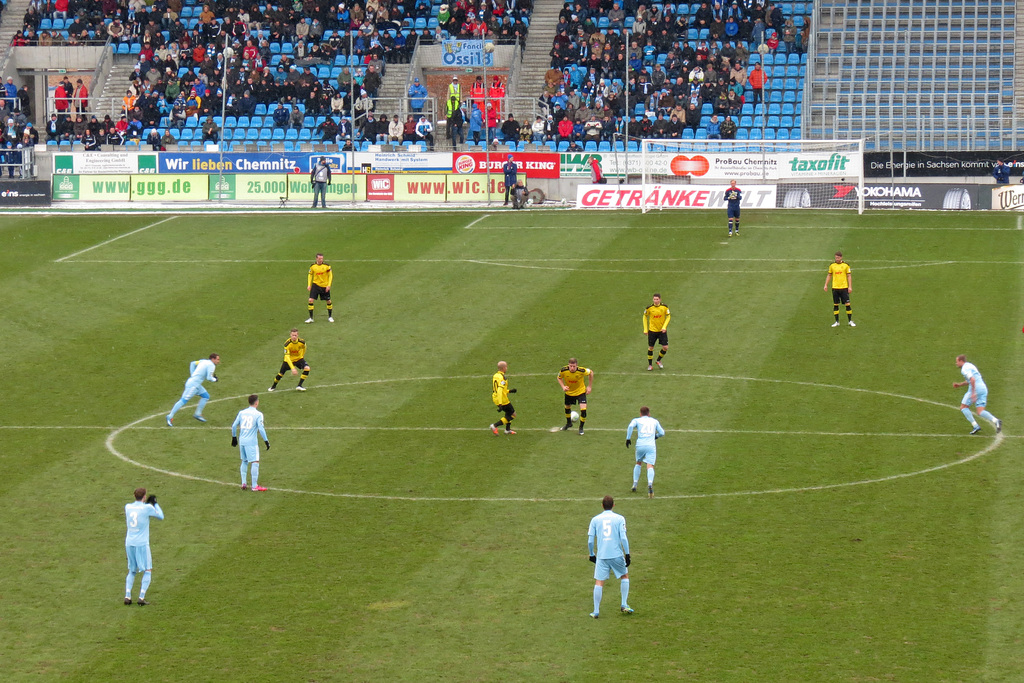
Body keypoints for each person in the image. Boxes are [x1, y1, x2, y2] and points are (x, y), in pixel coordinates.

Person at [587, 495, 633, 618]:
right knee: (624, 575)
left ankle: (596, 611)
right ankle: (624, 604)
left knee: (599, 581)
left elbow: (590, 540)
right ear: (613, 505)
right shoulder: (619, 518)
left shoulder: (595, 520)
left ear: (602, 505)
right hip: (616, 554)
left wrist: (592, 554)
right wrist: (627, 554)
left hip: (602, 555)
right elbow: (623, 537)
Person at [124, 487, 164, 605]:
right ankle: (141, 598)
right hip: (141, 543)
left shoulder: (128, 507)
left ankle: (127, 596)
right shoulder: (148, 508)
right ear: (144, 496)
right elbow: (161, 516)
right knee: (148, 570)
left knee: (132, 570)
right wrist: (155, 504)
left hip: (129, 542)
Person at [166, 353, 220, 425]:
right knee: (183, 400)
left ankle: (198, 414)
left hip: (195, 383)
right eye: (217, 359)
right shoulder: (211, 365)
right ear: (213, 359)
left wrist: (193, 375)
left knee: (206, 396)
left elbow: (192, 363)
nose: (218, 361)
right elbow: (209, 378)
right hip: (193, 386)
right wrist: (215, 379)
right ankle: (170, 416)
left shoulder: (203, 361)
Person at [953, 355, 1002, 435]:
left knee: (963, 407)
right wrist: (959, 384)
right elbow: (970, 379)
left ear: (961, 361)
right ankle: (996, 421)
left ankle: (975, 426)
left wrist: (973, 393)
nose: (956, 363)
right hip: (983, 388)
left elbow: (972, 380)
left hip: (976, 389)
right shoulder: (970, 365)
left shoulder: (964, 369)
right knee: (980, 411)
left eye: (957, 361)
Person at [231, 394, 270, 491]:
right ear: (256, 402)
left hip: (242, 441)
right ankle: (254, 486)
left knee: (244, 461)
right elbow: (261, 428)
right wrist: (266, 441)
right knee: (255, 461)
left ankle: (243, 483)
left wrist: (234, 437)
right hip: (251, 442)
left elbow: (234, 426)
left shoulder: (242, 412)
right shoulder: (258, 414)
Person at [626, 406, 665, 498]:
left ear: (640, 414)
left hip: (640, 445)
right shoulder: (654, 421)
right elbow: (662, 432)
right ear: (649, 414)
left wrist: (628, 438)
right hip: (651, 446)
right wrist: (656, 436)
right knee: (650, 465)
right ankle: (650, 484)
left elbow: (630, 426)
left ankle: (635, 484)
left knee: (638, 463)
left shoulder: (637, 420)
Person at [558, 358, 593, 435]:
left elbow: (591, 373)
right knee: (567, 407)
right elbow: (559, 377)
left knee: (583, 410)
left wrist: (589, 386)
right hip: (569, 392)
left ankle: (581, 428)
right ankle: (568, 423)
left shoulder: (581, 370)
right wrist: (563, 387)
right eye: (571, 366)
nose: (572, 368)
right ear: (568, 365)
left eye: (574, 366)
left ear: (577, 365)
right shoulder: (564, 370)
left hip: (581, 392)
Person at [823, 251, 855, 328]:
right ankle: (837, 322)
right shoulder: (832, 266)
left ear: (841, 257)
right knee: (836, 304)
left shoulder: (846, 265)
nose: (836, 259)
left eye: (838, 257)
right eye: (836, 257)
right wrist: (826, 285)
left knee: (847, 304)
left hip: (844, 288)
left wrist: (850, 286)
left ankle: (850, 321)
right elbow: (829, 275)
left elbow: (849, 276)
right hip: (835, 288)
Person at [642, 293, 671, 370]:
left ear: (660, 299)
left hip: (662, 331)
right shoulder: (649, 308)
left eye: (657, 299)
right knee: (651, 347)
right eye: (654, 299)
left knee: (665, 347)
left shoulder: (664, 307)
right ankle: (650, 365)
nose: (655, 301)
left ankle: (658, 360)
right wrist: (645, 329)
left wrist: (664, 327)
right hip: (652, 331)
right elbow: (644, 316)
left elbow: (668, 316)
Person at [306, 252, 334, 323]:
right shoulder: (313, 266)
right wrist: (309, 285)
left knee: (328, 301)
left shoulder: (327, 266)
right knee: (310, 300)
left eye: (322, 258)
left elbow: (330, 275)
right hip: (315, 285)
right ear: (316, 259)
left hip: (324, 286)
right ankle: (311, 318)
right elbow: (310, 275)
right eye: (319, 258)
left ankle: (330, 317)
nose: (321, 260)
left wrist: (329, 285)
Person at [490, 360, 517, 435]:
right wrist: (500, 403)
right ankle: (495, 426)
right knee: (513, 414)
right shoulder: (503, 378)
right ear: (504, 368)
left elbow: (498, 389)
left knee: (508, 413)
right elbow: (499, 390)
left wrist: (509, 391)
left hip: (495, 397)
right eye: (506, 367)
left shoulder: (496, 375)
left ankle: (507, 430)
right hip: (502, 399)